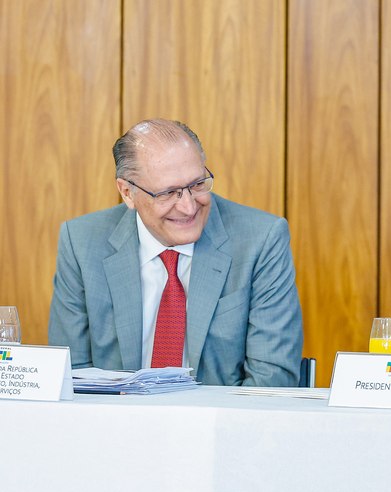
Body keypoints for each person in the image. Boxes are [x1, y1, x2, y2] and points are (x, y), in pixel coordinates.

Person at [48, 119, 303, 386]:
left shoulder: (261, 239)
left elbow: (271, 382)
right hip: (117, 424)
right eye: (169, 193)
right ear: (127, 193)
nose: (189, 207)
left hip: (220, 424)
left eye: (197, 184)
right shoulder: (81, 242)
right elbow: (72, 376)